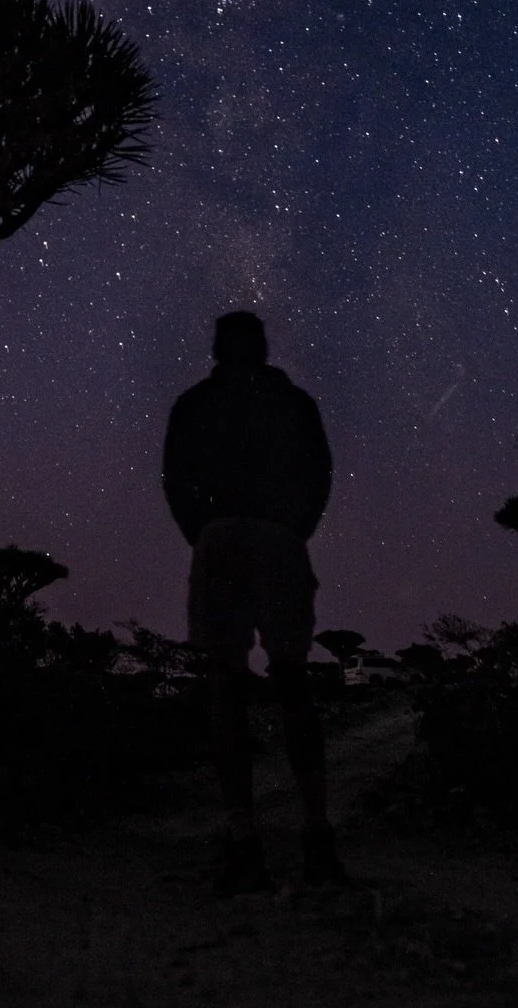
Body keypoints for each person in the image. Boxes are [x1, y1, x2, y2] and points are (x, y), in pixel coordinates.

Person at [163, 310, 345, 896]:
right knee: (292, 679)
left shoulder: (194, 405)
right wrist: (293, 529)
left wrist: (205, 529)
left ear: (216, 349)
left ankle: (245, 844)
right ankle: (317, 836)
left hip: (222, 538)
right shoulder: (295, 403)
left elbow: (176, 478)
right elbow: (320, 472)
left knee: (225, 684)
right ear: (264, 348)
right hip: (278, 538)